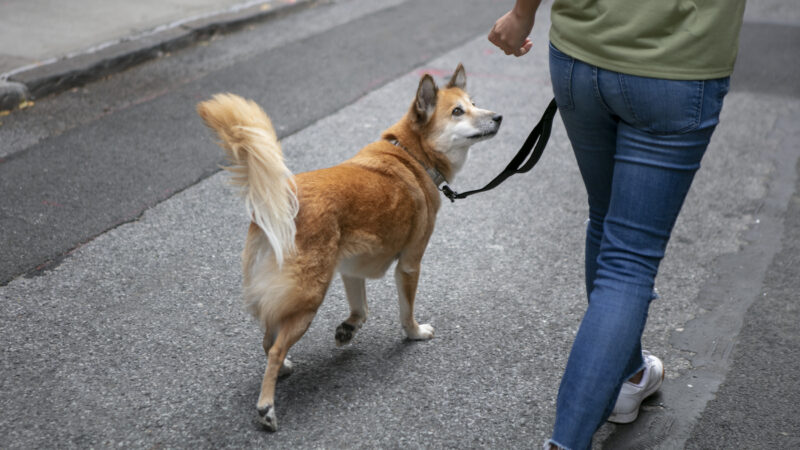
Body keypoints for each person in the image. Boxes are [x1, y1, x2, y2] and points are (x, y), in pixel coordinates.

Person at [488, 1, 746, 448]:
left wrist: (522, 13)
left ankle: (629, 376)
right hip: (675, 65)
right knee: (628, 260)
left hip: (581, 54)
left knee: (607, 219)